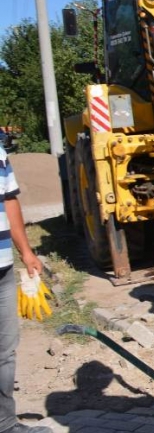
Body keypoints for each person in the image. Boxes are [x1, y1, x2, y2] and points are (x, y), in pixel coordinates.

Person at [0, 147, 50, 433]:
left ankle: (6, 425)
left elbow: (9, 200)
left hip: (3, 266)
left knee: (5, 351)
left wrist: (26, 252)